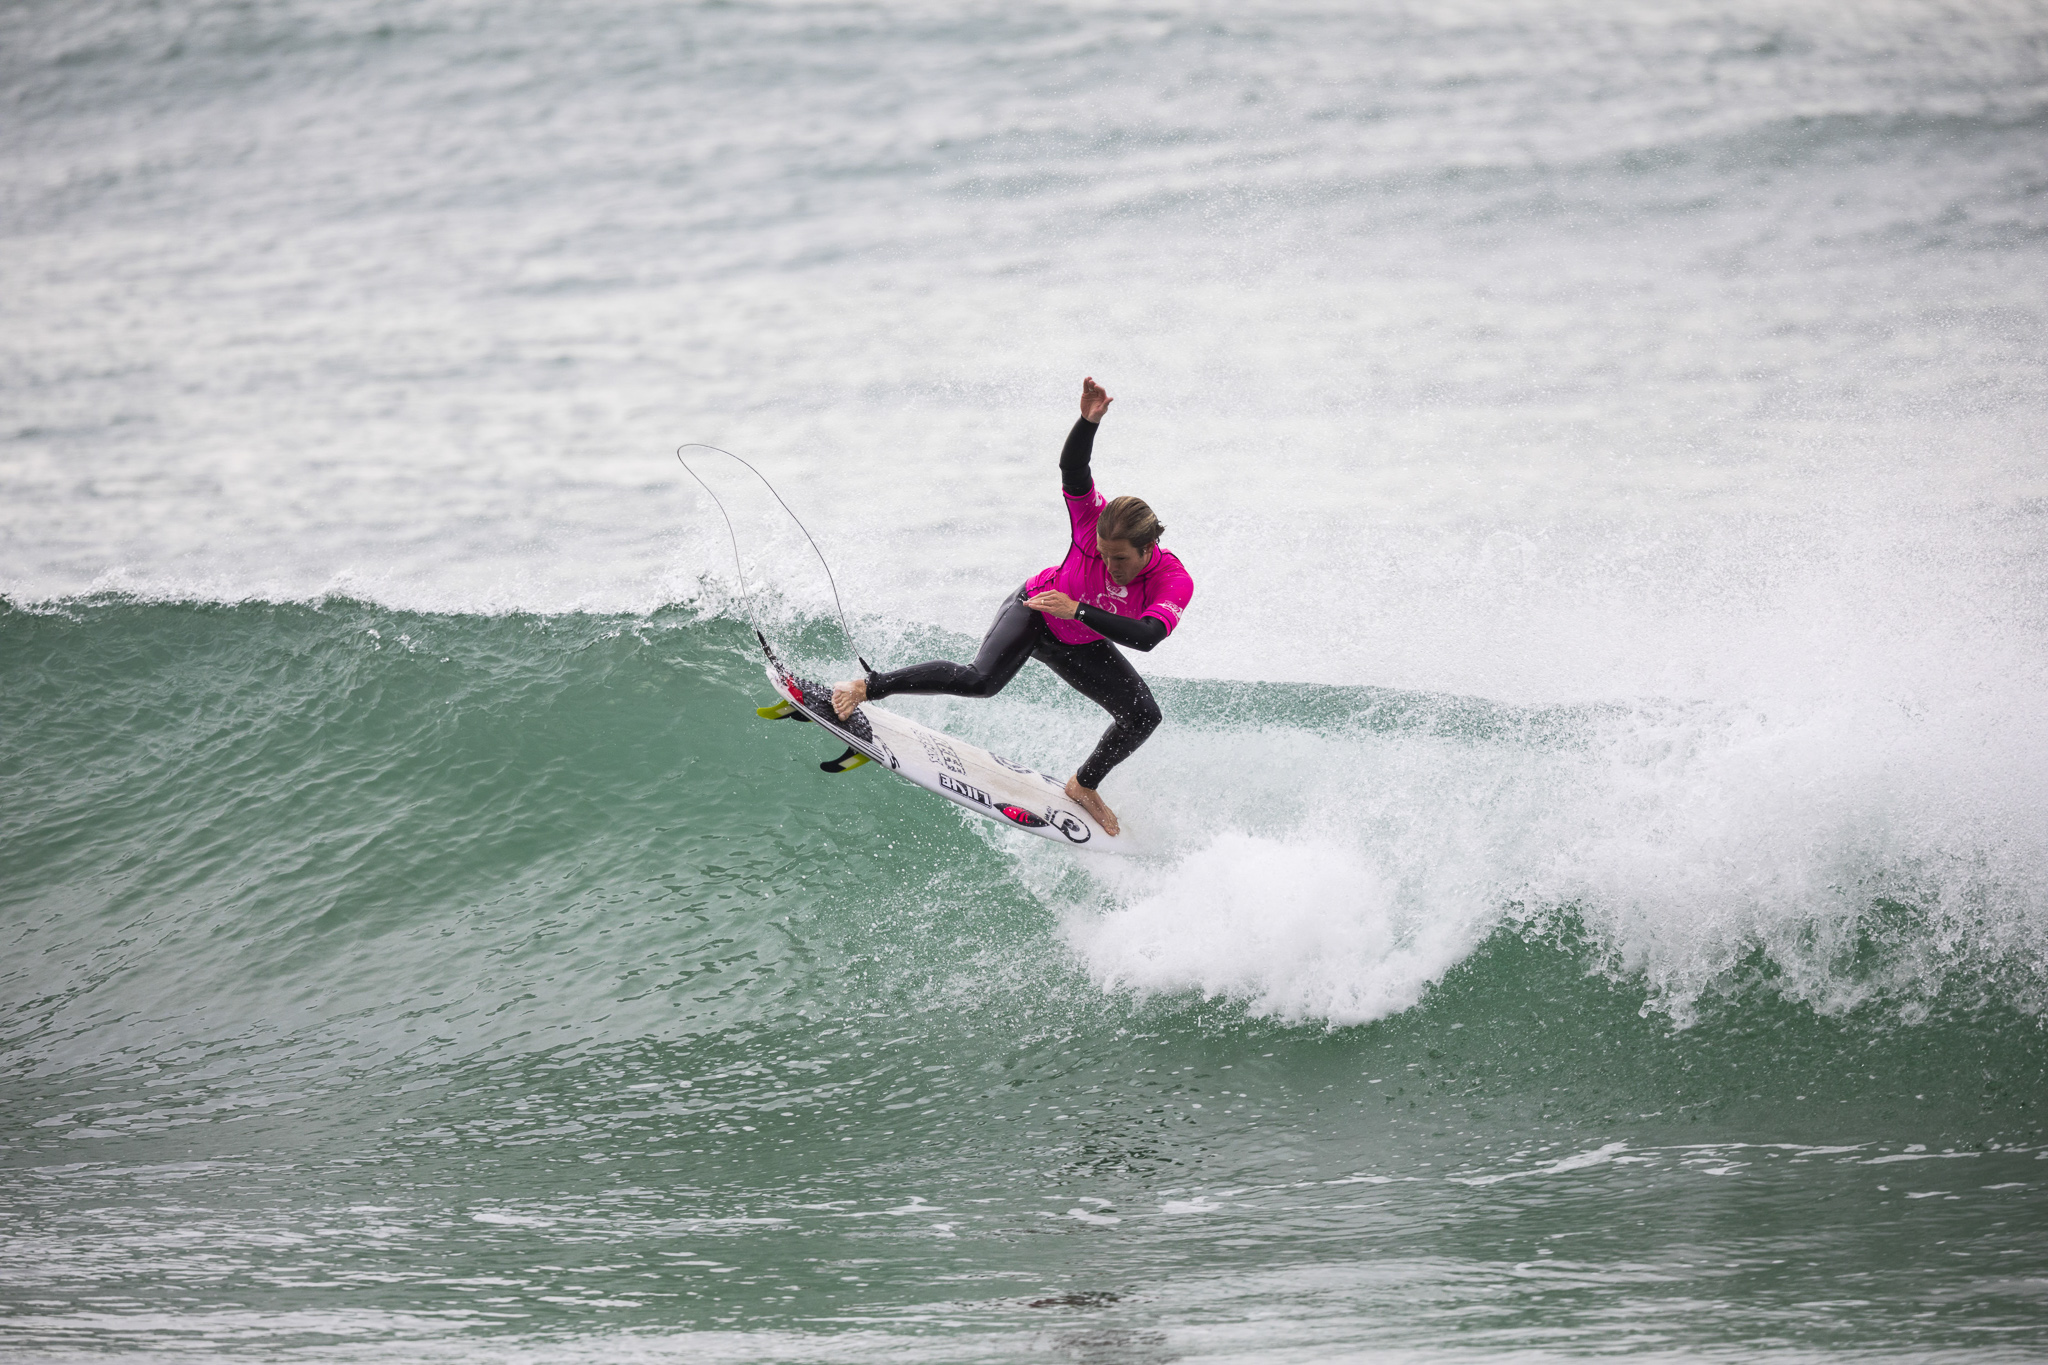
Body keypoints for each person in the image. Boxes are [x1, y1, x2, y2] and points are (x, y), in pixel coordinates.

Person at [832, 377, 1192, 836]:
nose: (1109, 565)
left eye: (1119, 559)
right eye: (1102, 555)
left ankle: (1083, 785)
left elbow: (1149, 636)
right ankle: (868, 686)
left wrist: (1077, 611)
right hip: (1036, 611)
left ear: (1149, 546)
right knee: (980, 682)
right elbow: (1073, 469)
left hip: (1077, 633)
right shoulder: (1089, 521)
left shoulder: (1172, 580)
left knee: (1143, 716)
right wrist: (1087, 422)